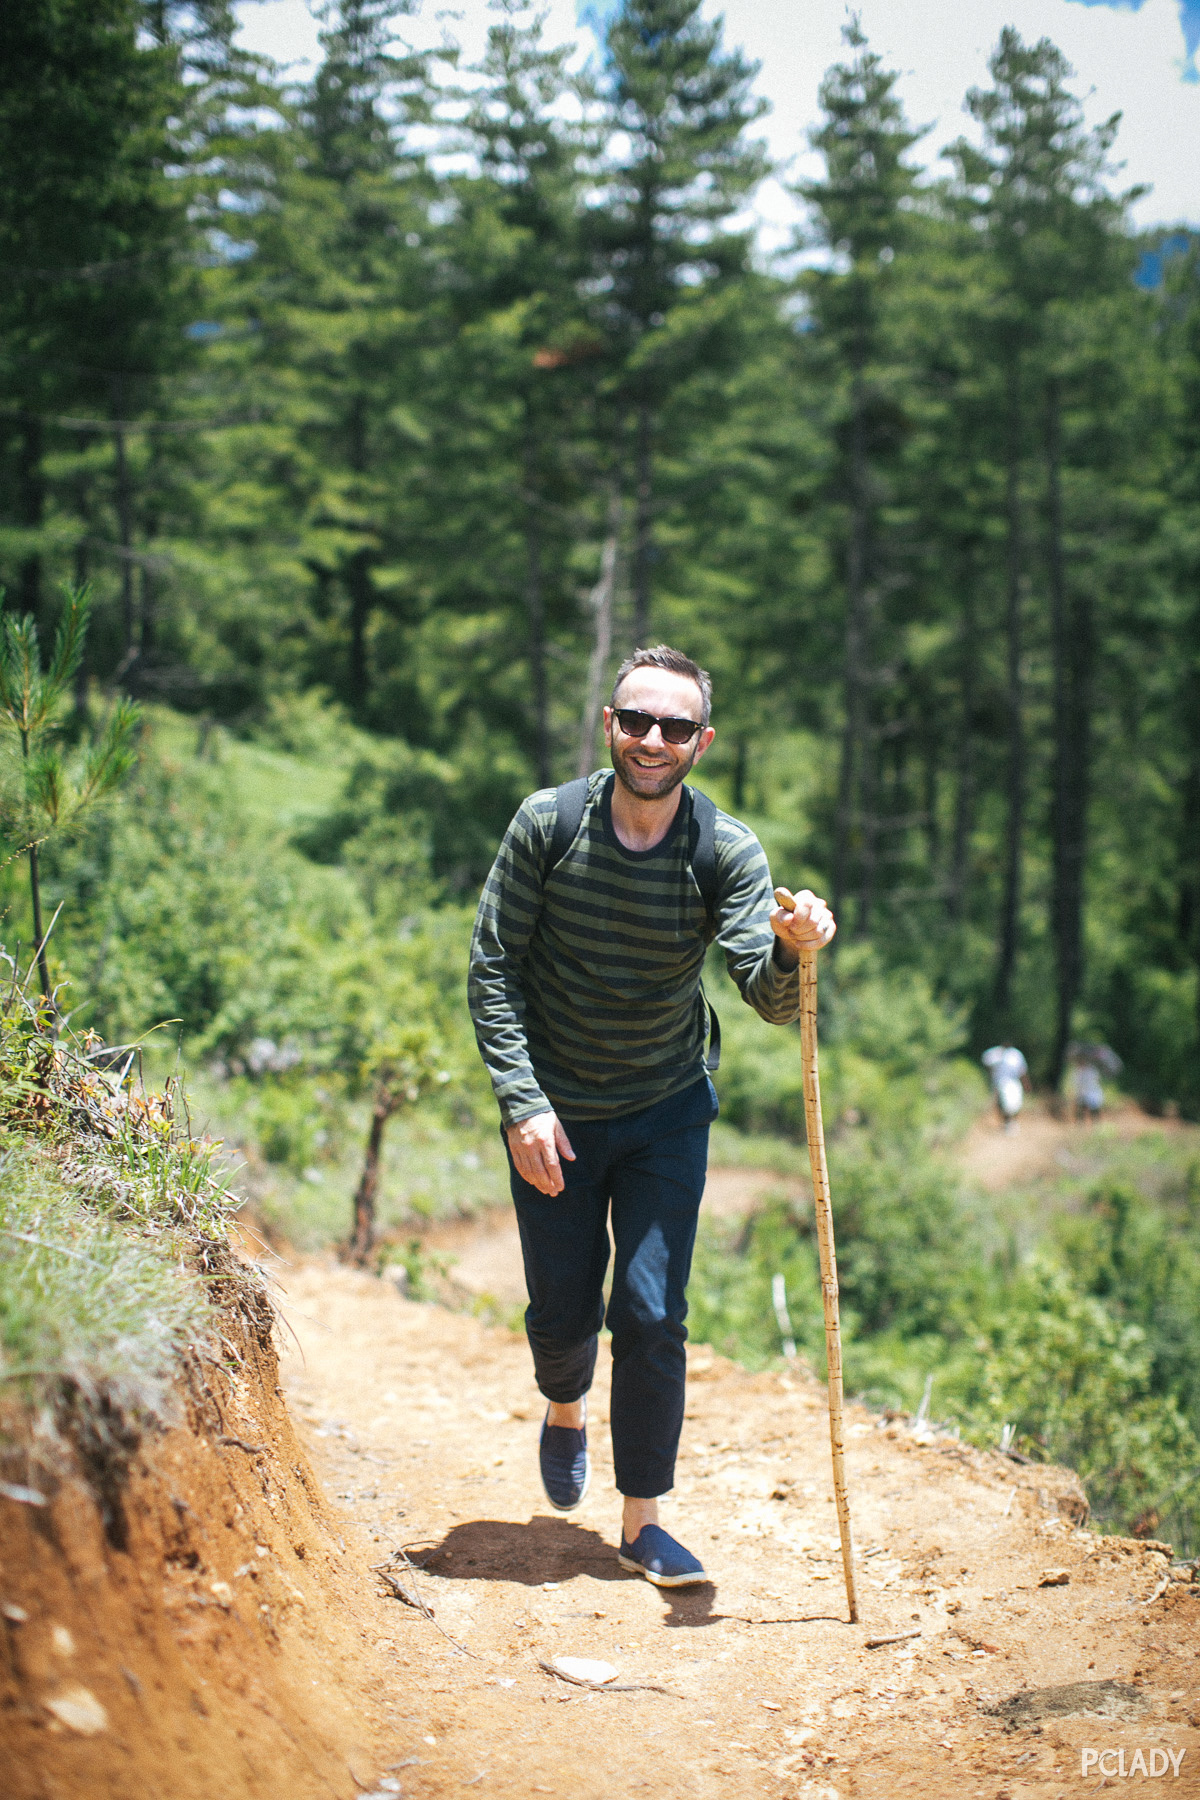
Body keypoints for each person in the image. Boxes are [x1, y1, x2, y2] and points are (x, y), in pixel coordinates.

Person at [468, 645, 835, 1588]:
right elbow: (493, 969)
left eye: (675, 727)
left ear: (701, 743)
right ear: (609, 725)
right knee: (563, 1313)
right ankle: (562, 1404)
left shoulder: (725, 849)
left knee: (651, 1310)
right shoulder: (548, 825)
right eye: (637, 720)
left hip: (667, 1106)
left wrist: (797, 952)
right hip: (555, 1109)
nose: (653, 740)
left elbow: (767, 993)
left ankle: (642, 1521)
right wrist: (522, 1105)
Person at [1068, 1042, 1123, 1124]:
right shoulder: (1077, 1071)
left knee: (1094, 1110)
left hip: (1092, 1092)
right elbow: (1076, 1083)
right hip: (1082, 1093)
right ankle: (1081, 1126)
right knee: (1081, 1110)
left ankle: (1096, 1125)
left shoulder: (1091, 1070)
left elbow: (1093, 1081)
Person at [981, 1042, 1029, 1133]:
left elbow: (1022, 1070)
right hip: (1001, 1083)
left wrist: (1026, 1084)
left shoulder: (1016, 1054)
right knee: (1003, 1104)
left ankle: (1012, 1122)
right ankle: (1006, 1122)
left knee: (1015, 1103)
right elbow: (986, 1060)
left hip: (1013, 1082)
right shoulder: (996, 1053)